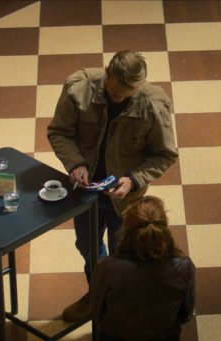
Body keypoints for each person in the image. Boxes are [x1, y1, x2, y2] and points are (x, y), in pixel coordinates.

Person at [47, 50, 178, 322]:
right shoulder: (78, 89)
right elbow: (59, 132)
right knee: (88, 247)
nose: (121, 98)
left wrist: (134, 179)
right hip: (86, 193)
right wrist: (75, 163)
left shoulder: (154, 104)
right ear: (107, 72)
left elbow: (164, 154)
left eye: (129, 94)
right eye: (116, 93)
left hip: (126, 199)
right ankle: (98, 293)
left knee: (127, 254)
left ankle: (121, 302)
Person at [90, 196, 195, 341]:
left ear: (126, 230)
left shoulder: (107, 267)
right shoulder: (183, 268)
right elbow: (186, 314)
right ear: (164, 229)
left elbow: (96, 310)